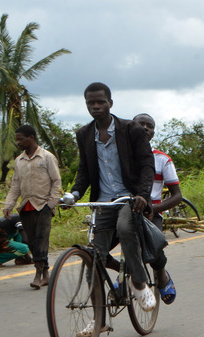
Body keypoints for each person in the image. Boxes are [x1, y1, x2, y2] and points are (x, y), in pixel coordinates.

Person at [66, 82, 156, 313]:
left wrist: (142, 195)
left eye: (100, 102)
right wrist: (74, 194)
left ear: (110, 104)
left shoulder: (131, 130)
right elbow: (85, 170)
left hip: (128, 198)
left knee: (126, 228)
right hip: (103, 201)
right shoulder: (84, 134)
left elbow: (147, 164)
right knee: (93, 256)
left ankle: (138, 281)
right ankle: (97, 319)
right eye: (90, 103)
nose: (95, 106)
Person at [3, 124, 63, 289]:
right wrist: (9, 205)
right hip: (26, 206)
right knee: (31, 241)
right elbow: (15, 185)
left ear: (31, 137)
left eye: (21, 139)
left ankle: (38, 274)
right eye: (17, 140)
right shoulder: (19, 160)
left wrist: (51, 203)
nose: (18, 142)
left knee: (42, 238)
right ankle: (45, 274)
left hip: (43, 205)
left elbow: (56, 181)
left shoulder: (46, 157)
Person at [132, 113, 178, 304]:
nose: (144, 128)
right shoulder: (120, 156)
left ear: (153, 132)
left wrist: (155, 209)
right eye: (140, 124)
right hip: (125, 209)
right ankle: (123, 275)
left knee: (154, 247)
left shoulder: (162, 160)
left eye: (149, 126)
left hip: (151, 213)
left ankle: (160, 273)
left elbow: (177, 195)